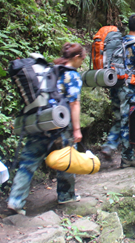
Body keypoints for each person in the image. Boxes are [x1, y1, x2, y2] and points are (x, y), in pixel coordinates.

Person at [7, 43, 86, 215]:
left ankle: (15, 200)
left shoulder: (50, 70)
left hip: (40, 119)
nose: (82, 61)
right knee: (67, 160)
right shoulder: (72, 75)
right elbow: (74, 103)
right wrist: (77, 130)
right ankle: (66, 195)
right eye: (82, 58)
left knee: (28, 162)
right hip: (60, 123)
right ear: (76, 57)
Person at [100, 14, 135, 167]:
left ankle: (109, 145)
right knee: (128, 122)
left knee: (118, 118)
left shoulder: (119, 42)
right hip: (128, 88)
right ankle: (127, 157)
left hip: (115, 84)